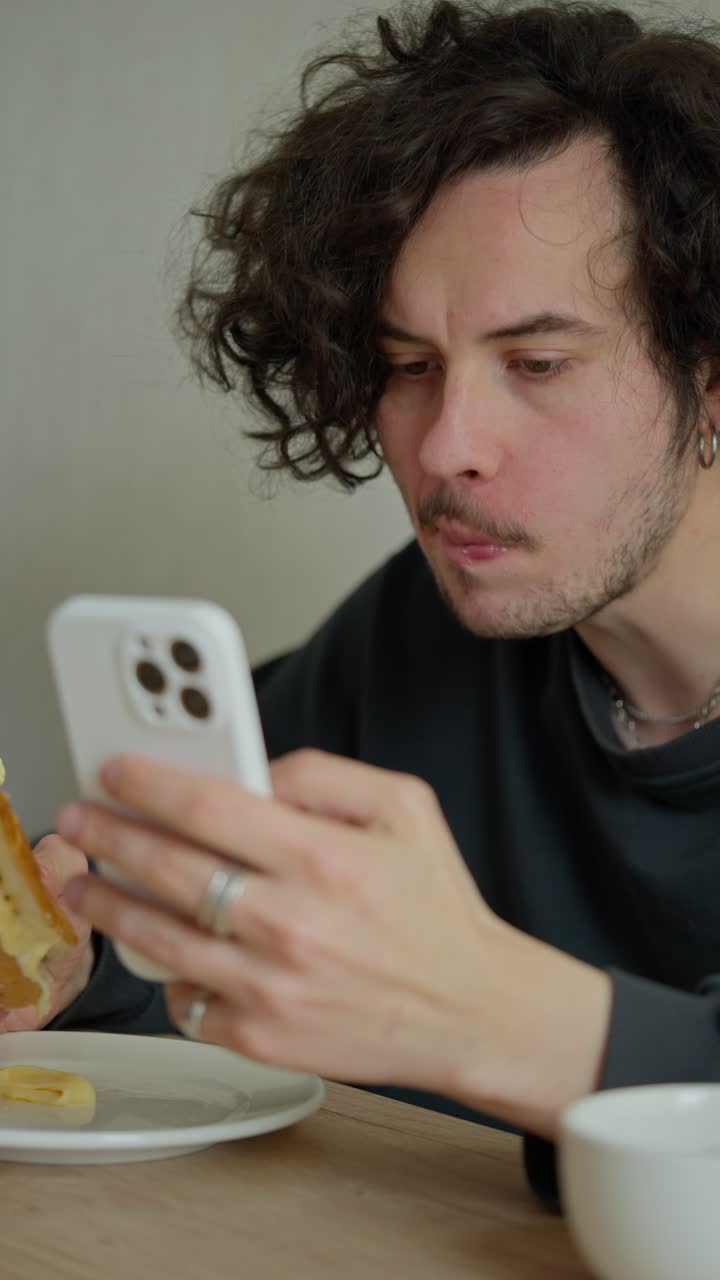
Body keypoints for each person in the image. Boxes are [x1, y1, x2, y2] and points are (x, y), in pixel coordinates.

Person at [14, 0, 720, 1210]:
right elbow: (235, 1039)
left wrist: (485, 1012)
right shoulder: (424, 625)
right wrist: (83, 977)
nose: (448, 445)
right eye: (407, 366)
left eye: (538, 364)